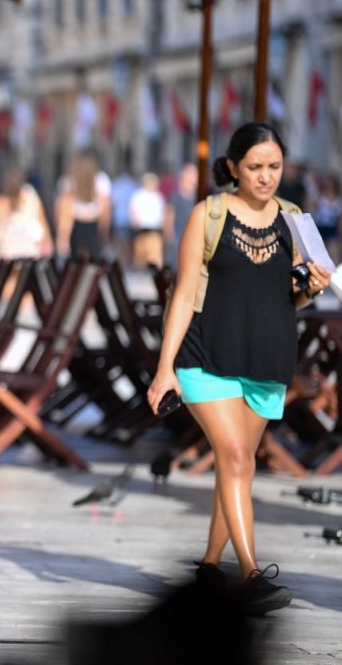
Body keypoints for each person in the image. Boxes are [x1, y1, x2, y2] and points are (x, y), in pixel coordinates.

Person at [147, 122, 331, 616]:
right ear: (233, 167)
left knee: (239, 465)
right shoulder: (207, 215)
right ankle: (250, 576)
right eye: (255, 167)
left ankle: (210, 568)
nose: (266, 176)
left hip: (266, 360)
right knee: (234, 457)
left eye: (274, 166)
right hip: (205, 355)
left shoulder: (295, 220)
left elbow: (292, 297)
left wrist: (312, 287)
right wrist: (164, 368)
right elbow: (183, 294)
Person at [0, 167, 52, 263]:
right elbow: (43, 224)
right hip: (30, 253)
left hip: (9, 254)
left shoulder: (1, 202)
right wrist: (47, 242)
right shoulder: (31, 197)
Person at [55, 151, 110, 260]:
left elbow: (63, 227)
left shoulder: (69, 199)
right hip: (94, 247)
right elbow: (105, 227)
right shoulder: (101, 199)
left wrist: (61, 244)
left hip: (75, 247)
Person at [128, 173, 166, 269]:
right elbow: (133, 211)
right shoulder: (139, 195)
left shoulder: (158, 196)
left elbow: (163, 212)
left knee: (154, 254)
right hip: (142, 229)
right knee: (140, 255)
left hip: (155, 229)